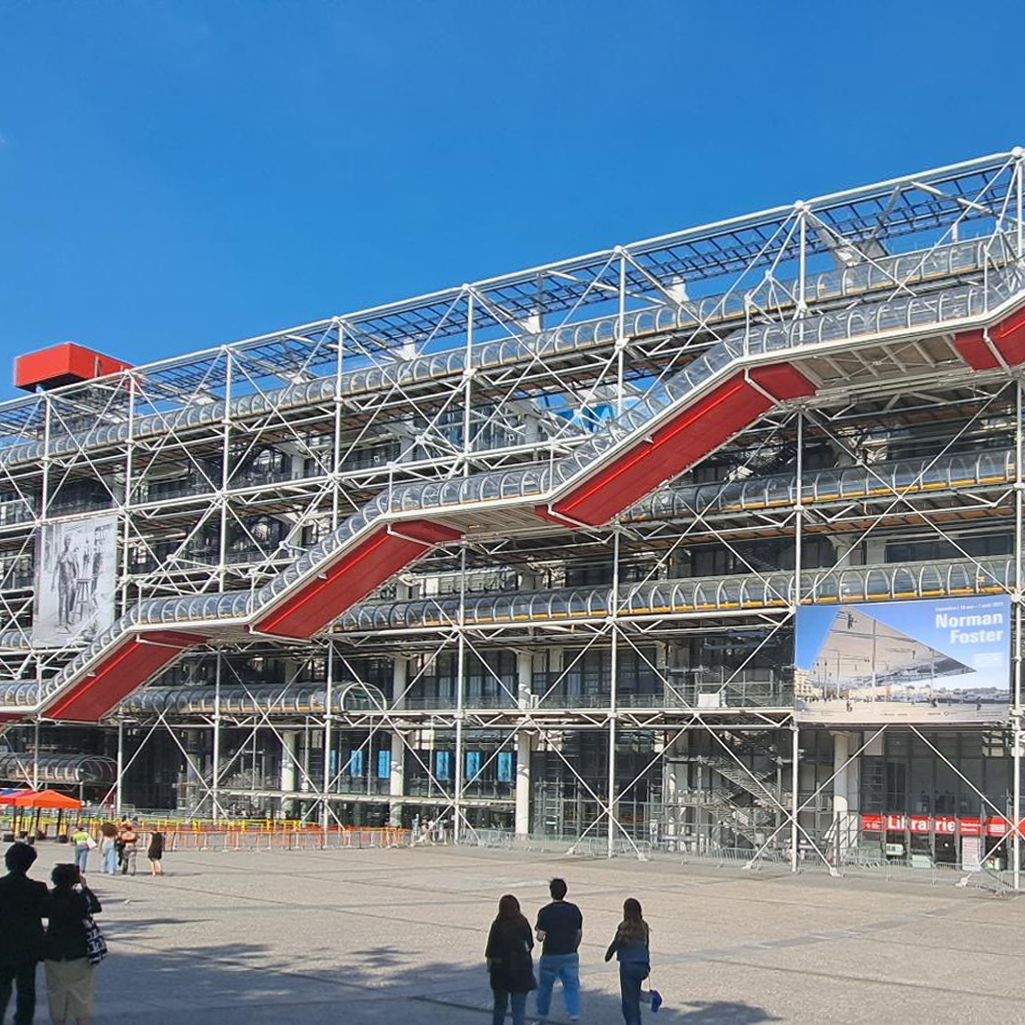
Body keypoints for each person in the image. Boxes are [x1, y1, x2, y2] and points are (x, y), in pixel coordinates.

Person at [43, 864, 101, 1025]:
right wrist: (85, 887)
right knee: (82, 992)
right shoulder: (80, 899)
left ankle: (58, 1020)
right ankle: (82, 1021)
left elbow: (40, 911)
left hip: (54, 951)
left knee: (56, 991)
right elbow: (96, 907)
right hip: (78, 951)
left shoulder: (49, 898)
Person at [0, 844, 47, 1025]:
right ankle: (23, 1021)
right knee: (26, 989)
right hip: (29, 946)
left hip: (3, 944)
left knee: (2, 987)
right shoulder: (37, 888)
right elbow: (46, 912)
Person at [534, 878, 582, 1022]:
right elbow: (578, 933)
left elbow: (540, 937)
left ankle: (542, 1015)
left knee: (545, 988)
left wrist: (539, 933)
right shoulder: (574, 910)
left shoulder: (545, 912)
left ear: (551, 892)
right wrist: (574, 947)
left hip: (550, 954)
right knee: (571, 986)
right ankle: (573, 1012)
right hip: (569, 953)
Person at [484, 894, 535, 1025]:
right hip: (520, 971)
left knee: (500, 1006)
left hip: (500, 972)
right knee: (518, 1009)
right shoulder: (523, 923)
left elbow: (490, 951)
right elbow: (529, 945)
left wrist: (491, 968)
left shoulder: (497, 925)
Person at [604, 898, 650, 1025]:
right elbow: (646, 946)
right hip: (641, 965)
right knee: (634, 998)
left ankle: (633, 1022)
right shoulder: (644, 926)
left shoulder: (623, 927)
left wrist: (608, 955)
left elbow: (616, 943)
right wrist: (647, 965)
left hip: (627, 967)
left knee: (629, 1003)